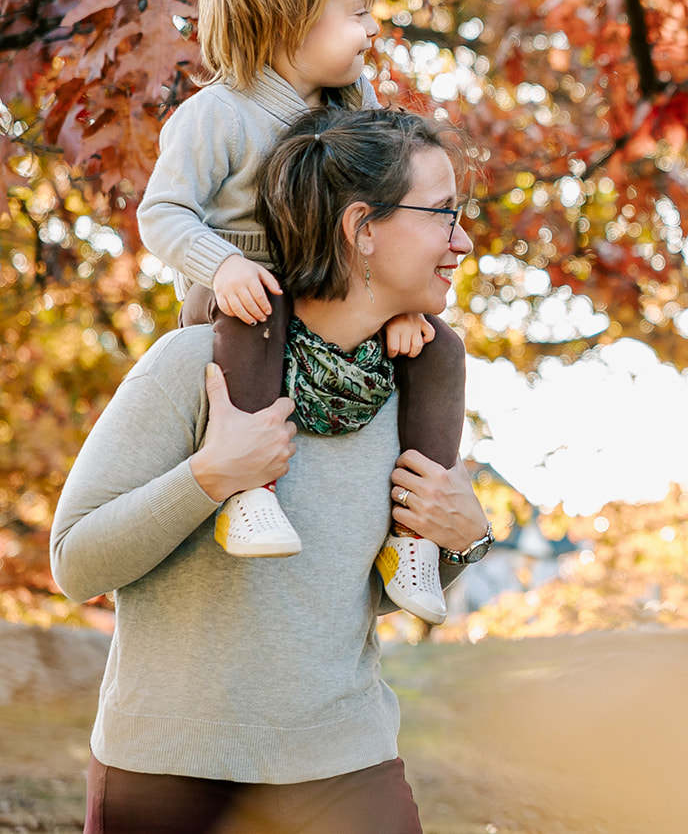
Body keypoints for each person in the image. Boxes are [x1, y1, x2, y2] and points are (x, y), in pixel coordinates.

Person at [52, 106, 495, 834]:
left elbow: (343, 603)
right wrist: (211, 476)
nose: (464, 239)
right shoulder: (196, 367)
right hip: (169, 772)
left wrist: (465, 539)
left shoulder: (410, 396)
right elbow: (74, 562)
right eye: (444, 212)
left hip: (347, 770)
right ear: (363, 229)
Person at [136, 0, 463, 624]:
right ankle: (250, 494)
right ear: (289, 21)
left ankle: (412, 537)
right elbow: (161, 213)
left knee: (442, 347)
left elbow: (386, 214)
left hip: (329, 288)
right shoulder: (216, 115)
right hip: (243, 297)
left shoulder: (357, 109)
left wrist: (403, 304)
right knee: (258, 308)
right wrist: (219, 266)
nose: (372, 29)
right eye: (356, 12)